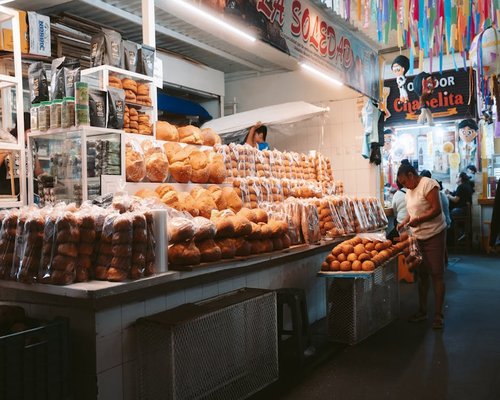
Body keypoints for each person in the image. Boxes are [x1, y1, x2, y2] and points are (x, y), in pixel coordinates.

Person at [397, 163, 447, 329]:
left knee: (436, 274)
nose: (404, 186)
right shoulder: (409, 191)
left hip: (434, 235)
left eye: (404, 182)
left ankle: (438, 315)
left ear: (411, 175)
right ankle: (423, 310)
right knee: (422, 274)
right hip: (418, 237)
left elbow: (436, 210)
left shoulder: (428, 184)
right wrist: (404, 222)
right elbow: (412, 212)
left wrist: (418, 220)